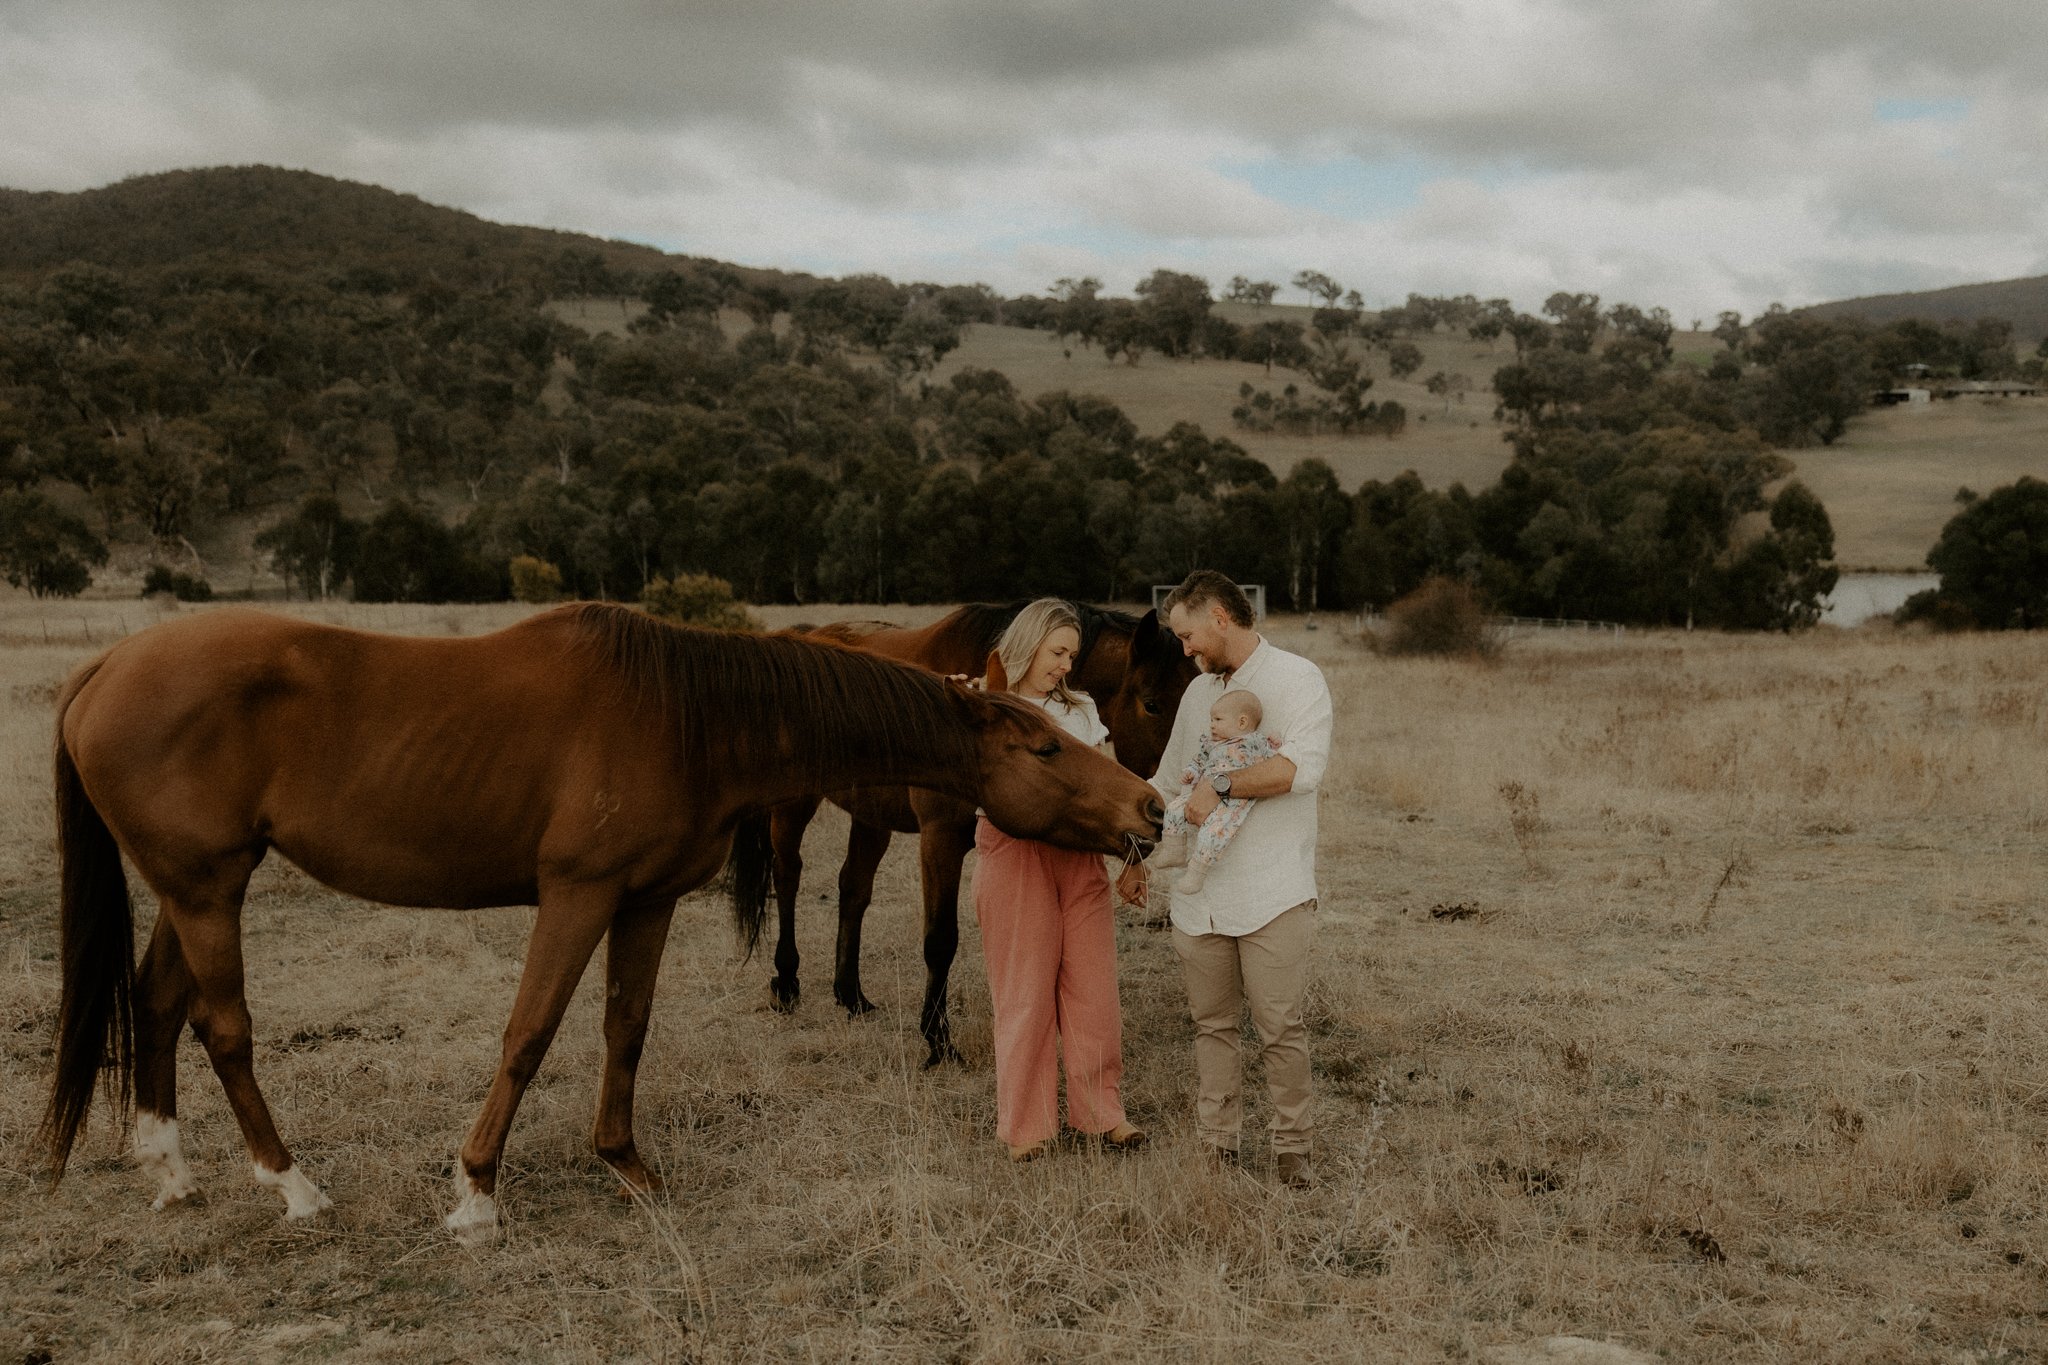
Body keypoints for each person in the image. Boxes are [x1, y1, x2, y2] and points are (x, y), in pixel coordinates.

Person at [1117, 571, 1333, 1189]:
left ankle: (1293, 1150)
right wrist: (1134, 852)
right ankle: (1219, 1146)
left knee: (1279, 1029)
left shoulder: (1298, 678)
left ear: (1218, 616)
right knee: (1211, 1026)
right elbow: (1167, 780)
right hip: (1200, 897)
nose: (1184, 649)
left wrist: (1222, 784)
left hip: (1273, 892)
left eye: (1187, 635)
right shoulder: (1196, 695)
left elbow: (1301, 769)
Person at [972, 598, 1146, 1162]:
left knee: (1094, 989)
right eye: (1057, 652)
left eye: (1072, 654)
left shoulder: (1084, 711)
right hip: (1015, 855)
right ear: (1027, 645)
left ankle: (1104, 1114)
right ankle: (1028, 1128)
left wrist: (1133, 855)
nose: (1066, 664)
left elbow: (1111, 790)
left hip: (1081, 857)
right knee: (1024, 992)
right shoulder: (987, 708)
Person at [1148, 688, 1280, 895]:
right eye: (1211, 719)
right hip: (1200, 792)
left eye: (1218, 719)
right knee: (1174, 809)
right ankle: (1174, 849)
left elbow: (1272, 762)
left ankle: (1197, 872)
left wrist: (1275, 745)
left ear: (1242, 723)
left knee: (1213, 833)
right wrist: (1190, 772)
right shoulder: (1210, 743)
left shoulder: (1255, 741)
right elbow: (1198, 761)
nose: (1212, 724)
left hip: (1234, 801)